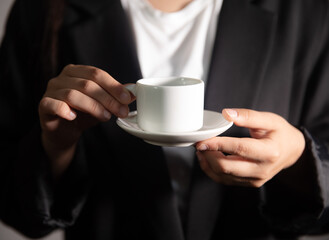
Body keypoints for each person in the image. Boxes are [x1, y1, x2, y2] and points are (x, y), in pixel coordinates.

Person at [0, 0, 329, 239]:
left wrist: (298, 157)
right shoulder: (42, 10)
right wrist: (56, 146)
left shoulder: (307, 12)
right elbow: (16, 209)